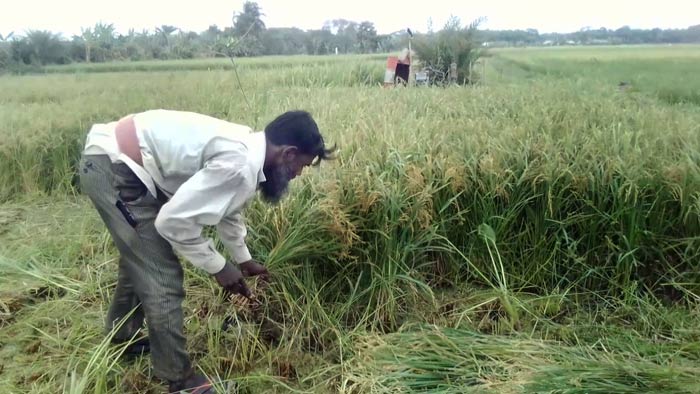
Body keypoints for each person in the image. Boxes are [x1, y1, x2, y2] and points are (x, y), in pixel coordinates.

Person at [79, 109, 334, 393]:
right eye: (302, 165)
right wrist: (218, 266)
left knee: (141, 259)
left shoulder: (248, 151)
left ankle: (122, 339)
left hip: (120, 161)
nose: (298, 174)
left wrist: (243, 259)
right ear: (288, 153)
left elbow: (228, 207)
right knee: (161, 273)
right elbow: (172, 222)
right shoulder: (239, 163)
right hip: (114, 167)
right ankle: (181, 381)